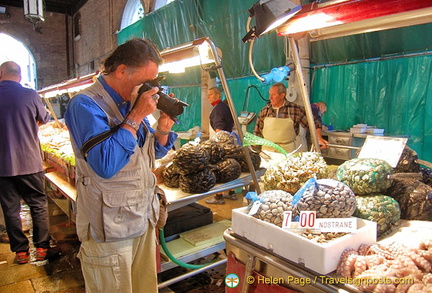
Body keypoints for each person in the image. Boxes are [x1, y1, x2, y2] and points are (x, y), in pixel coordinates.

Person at [64, 38, 177, 292]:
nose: (149, 89)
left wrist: (162, 131)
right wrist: (136, 116)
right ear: (122, 70)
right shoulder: (85, 104)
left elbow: (146, 156)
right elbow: (106, 164)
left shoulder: (130, 101)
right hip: (110, 228)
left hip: (142, 218)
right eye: (144, 82)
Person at [0, 61, 51, 264]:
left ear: (1, 73)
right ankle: (41, 249)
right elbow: (44, 118)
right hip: (29, 162)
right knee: (37, 204)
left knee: (10, 208)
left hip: (2, 165)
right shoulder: (30, 95)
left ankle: (20, 252)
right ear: (19, 76)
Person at [254, 82, 328, 153]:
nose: (270, 98)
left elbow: (315, 123)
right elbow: (257, 133)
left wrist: (318, 138)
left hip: (287, 154)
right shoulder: (264, 111)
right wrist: (253, 145)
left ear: (282, 95)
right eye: (270, 94)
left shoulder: (295, 110)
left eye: (273, 95)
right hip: (267, 153)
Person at [205, 87, 237, 204]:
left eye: (211, 94)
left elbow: (219, 129)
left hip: (221, 144)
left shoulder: (218, 109)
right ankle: (232, 193)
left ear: (218, 96)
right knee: (230, 168)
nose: (208, 97)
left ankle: (218, 197)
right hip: (229, 143)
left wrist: (217, 148)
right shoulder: (225, 107)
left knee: (220, 169)